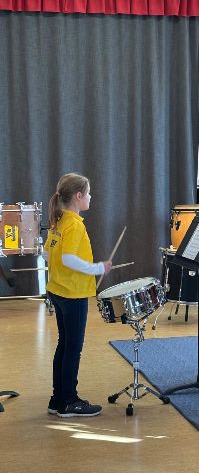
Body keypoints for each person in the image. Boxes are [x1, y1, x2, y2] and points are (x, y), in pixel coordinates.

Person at [43, 173, 112, 417]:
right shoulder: (74, 224)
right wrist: (97, 268)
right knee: (73, 348)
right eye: (89, 193)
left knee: (64, 345)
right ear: (79, 196)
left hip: (58, 290)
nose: (91, 198)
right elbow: (67, 258)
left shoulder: (58, 221)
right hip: (72, 294)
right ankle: (69, 401)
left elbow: (47, 254)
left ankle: (57, 399)